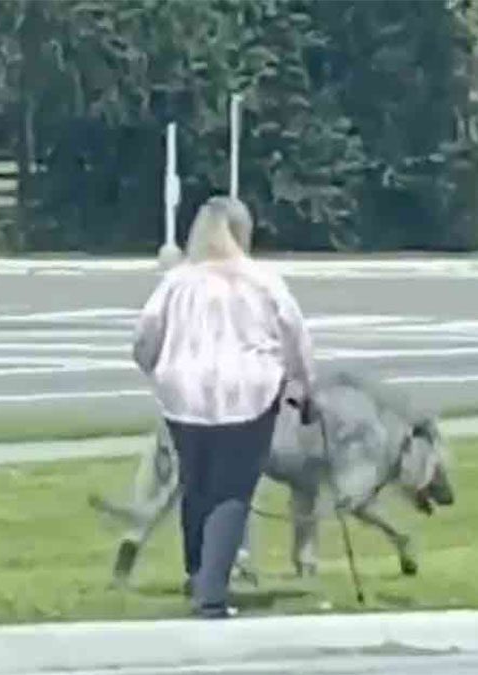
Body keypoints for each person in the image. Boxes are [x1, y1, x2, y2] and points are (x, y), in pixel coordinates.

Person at [131, 196, 317, 618]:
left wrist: (158, 370)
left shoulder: (177, 282)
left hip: (184, 395)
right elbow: (295, 338)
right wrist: (304, 386)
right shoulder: (263, 281)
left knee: (196, 484)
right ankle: (211, 594)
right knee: (232, 490)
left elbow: (144, 338)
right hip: (248, 393)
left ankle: (197, 573)